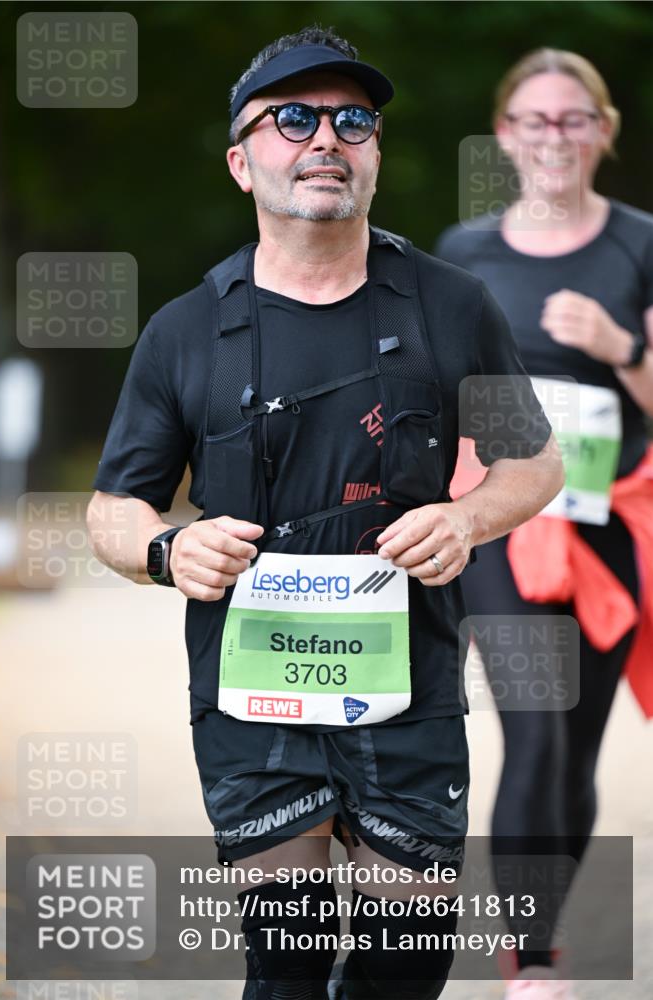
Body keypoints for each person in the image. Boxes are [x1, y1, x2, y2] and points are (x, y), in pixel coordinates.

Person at [88, 26, 564, 1000]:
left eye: (354, 121)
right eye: (292, 118)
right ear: (240, 158)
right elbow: (113, 505)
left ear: (376, 154)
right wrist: (168, 546)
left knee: (405, 964)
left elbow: (535, 461)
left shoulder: (453, 304)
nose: (326, 140)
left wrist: (468, 519)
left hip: (409, 680)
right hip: (251, 694)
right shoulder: (185, 330)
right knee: (288, 960)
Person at [436, 47, 653, 1000]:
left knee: (577, 736)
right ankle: (526, 962)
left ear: (603, 132)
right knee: (533, 731)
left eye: (573, 118)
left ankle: (546, 937)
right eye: (534, 120)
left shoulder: (641, 244)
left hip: (605, 519)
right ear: (505, 136)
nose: (553, 136)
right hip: (503, 517)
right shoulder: (464, 250)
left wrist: (621, 346)